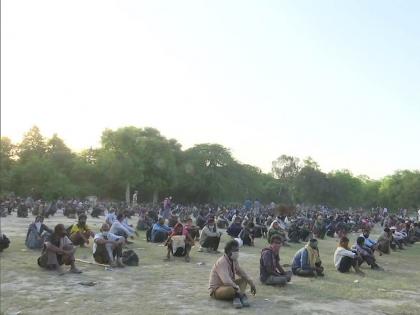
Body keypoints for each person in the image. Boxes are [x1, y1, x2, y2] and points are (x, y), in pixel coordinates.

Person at [208, 240, 256, 309]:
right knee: (231, 289)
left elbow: (241, 272)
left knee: (244, 280)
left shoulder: (234, 260)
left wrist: (252, 284)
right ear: (229, 251)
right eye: (235, 250)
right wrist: (237, 287)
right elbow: (226, 281)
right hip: (216, 290)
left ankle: (238, 296)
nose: (237, 252)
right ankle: (238, 296)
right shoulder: (222, 262)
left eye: (238, 250)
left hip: (228, 286)